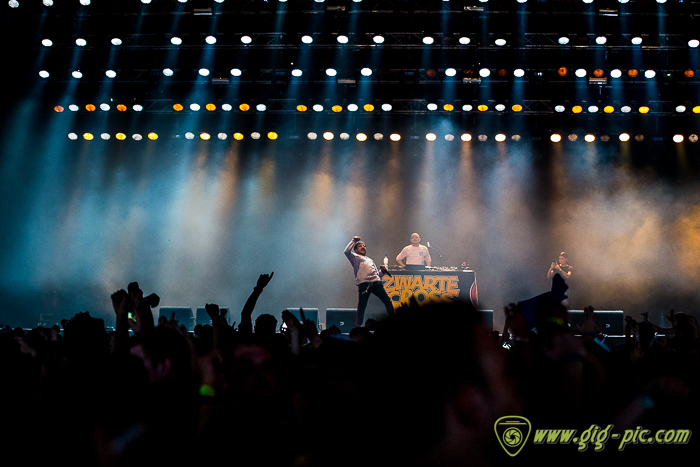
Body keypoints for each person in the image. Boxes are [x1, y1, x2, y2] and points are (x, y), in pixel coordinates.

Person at [344, 236, 395, 327]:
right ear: (355, 250)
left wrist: (382, 271)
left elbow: (378, 275)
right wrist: (354, 241)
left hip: (376, 282)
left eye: (364, 246)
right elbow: (346, 251)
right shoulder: (354, 257)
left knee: (387, 300)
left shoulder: (370, 260)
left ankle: (395, 319)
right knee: (362, 305)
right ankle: (358, 325)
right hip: (364, 284)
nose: (363, 247)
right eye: (360, 246)